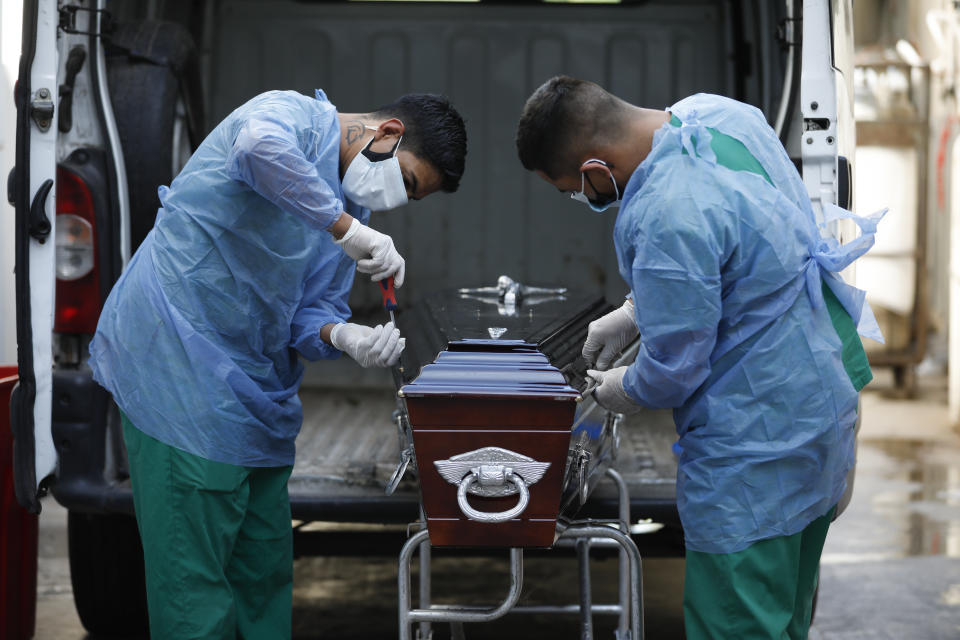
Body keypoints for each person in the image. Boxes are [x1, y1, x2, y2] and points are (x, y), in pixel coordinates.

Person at [89, 88, 467, 639]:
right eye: (407, 181)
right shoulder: (289, 117)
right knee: (194, 590)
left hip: (255, 398)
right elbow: (257, 150)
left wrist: (345, 335)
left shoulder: (351, 206)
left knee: (262, 577)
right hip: (177, 369)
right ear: (387, 134)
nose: (396, 201)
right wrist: (347, 230)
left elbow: (307, 313)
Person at [515, 76, 883, 639]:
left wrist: (624, 388)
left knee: (736, 624)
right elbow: (752, 241)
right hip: (822, 386)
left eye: (573, 190)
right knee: (783, 611)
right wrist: (639, 309)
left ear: (595, 169)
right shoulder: (717, 114)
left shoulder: (664, 210)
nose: (583, 199)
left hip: (758, 442)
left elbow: (673, 369)